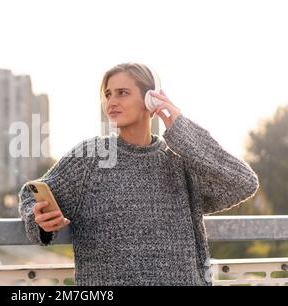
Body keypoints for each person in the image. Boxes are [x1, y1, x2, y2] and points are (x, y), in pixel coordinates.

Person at [17, 62, 259, 286]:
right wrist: (37, 217)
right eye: (108, 94)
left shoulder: (179, 162)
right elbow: (31, 194)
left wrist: (181, 129)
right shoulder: (91, 157)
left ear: (151, 99)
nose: (111, 102)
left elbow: (243, 182)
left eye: (122, 93)